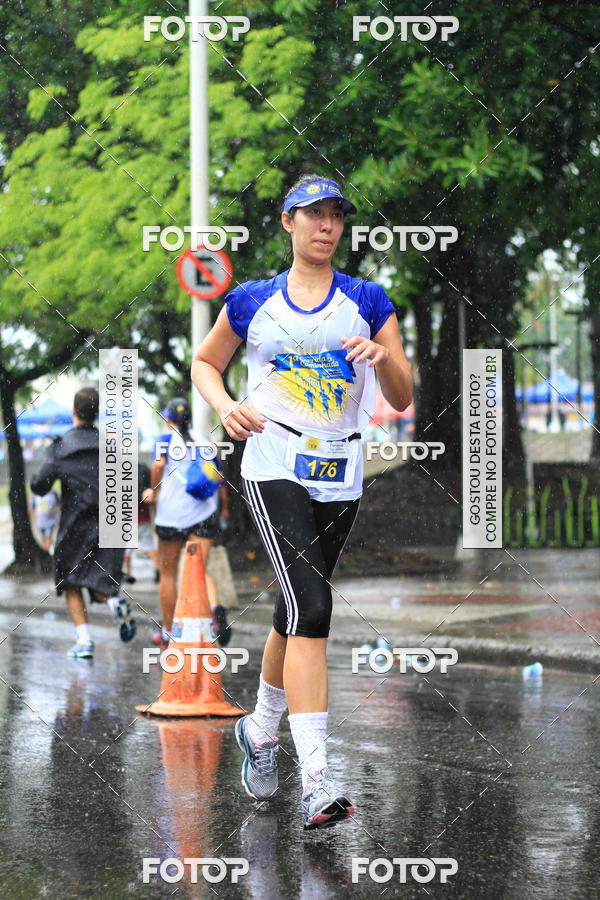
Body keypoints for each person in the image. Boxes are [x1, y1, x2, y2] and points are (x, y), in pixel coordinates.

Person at [191, 174, 412, 830]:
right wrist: (226, 406)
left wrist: (383, 356)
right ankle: (319, 776)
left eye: (336, 215)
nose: (326, 225)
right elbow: (205, 363)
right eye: (312, 213)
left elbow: (399, 393)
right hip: (272, 459)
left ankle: (260, 730)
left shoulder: (368, 300)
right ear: (286, 221)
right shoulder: (251, 301)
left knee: (294, 609)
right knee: (314, 604)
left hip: (341, 465)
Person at [30, 387, 136, 659]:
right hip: (111, 523)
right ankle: (114, 603)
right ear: (98, 414)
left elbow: (40, 485)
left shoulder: (62, 447)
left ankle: (85, 641)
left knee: (71, 581)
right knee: (102, 580)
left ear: (74, 412)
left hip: (76, 525)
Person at [148, 397, 231, 650]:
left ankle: (170, 633)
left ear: (169, 419)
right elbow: (218, 476)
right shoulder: (204, 441)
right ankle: (209, 619)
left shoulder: (164, 441)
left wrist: (153, 491)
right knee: (197, 571)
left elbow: (159, 465)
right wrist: (225, 508)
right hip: (203, 515)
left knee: (168, 574)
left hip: (171, 516)